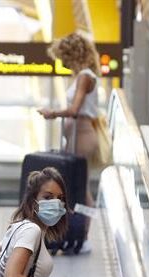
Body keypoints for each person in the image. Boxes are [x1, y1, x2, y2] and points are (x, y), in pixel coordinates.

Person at [37, 33, 111, 223]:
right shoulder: (85, 76)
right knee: (77, 185)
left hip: (82, 136)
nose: (63, 63)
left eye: (64, 58)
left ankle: (84, 231)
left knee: (81, 187)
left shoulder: (84, 77)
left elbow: (74, 109)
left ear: (73, 56)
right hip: (78, 136)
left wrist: (52, 113)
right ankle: (80, 229)